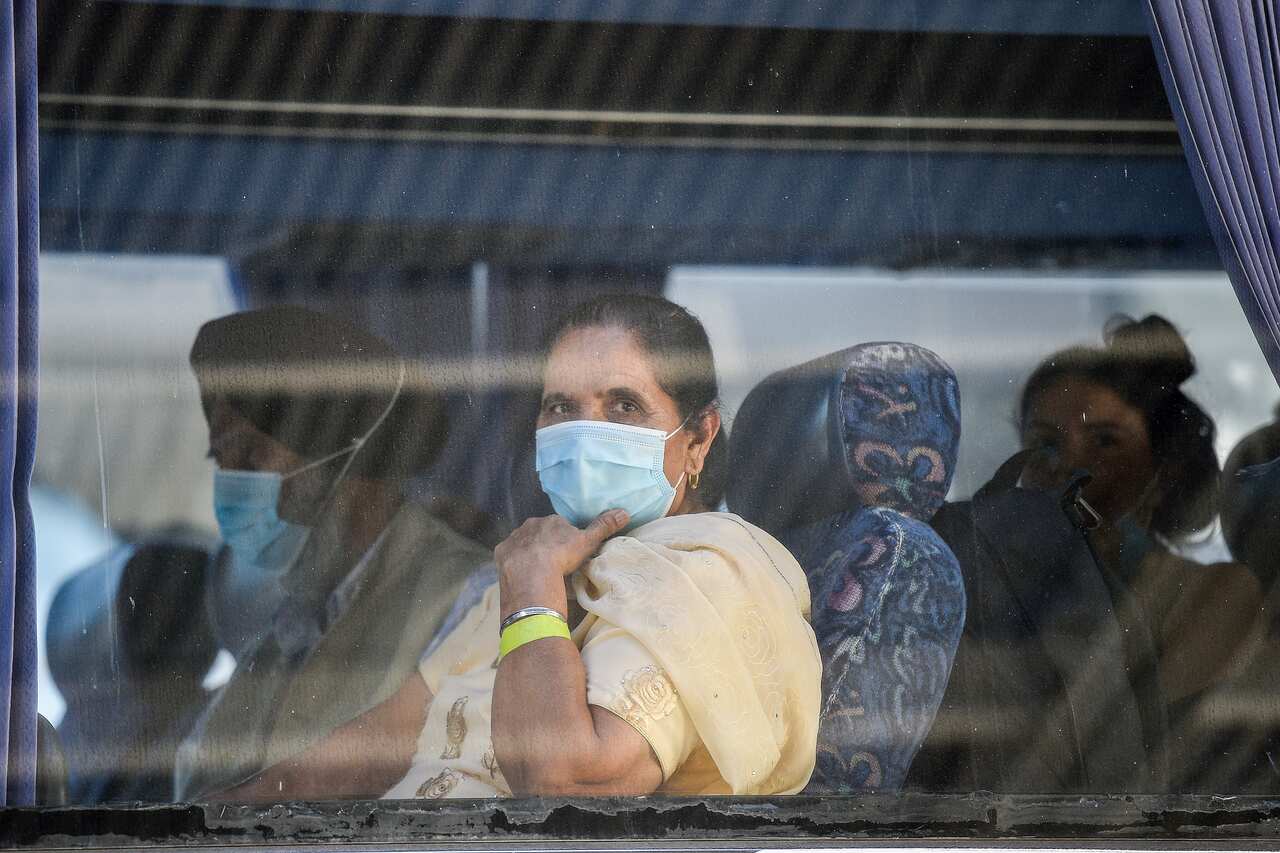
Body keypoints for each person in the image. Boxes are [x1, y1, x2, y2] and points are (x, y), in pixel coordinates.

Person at [215, 294, 822, 800]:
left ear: (698, 439)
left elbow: (563, 787)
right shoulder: (556, 563)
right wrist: (217, 817)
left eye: (624, 407)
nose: (585, 433)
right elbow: (389, 734)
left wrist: (532, 595)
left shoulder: (709, 574)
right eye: (560, 407)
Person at [173, 305, 493, 800]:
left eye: (253, 456)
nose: (231, 482)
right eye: (223, 459)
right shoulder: (289, 622)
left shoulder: (468, 597)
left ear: (342, 458)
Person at [1018, 314, 1260, 709]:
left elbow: (1132, 722)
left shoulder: (1216, 594)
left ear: (1164, 471)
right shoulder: (981, 589)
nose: (1065, 467)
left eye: (1104, 441)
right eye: (1045, 444)